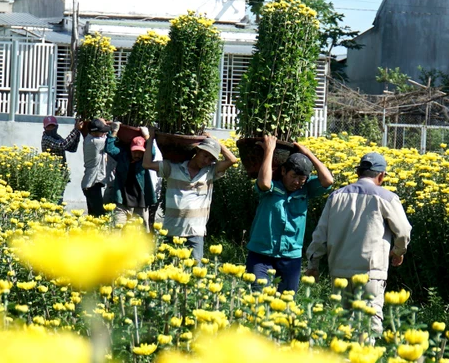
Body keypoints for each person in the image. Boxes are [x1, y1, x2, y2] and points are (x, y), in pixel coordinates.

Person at [306, 151, 412, 332]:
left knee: (341, 322)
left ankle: (343, 358)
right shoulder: (387, 198)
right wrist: (398, 251)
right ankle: (365, 358)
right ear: (381, 175)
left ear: (358, 173)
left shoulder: (336, 197)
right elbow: (403, 231)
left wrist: (312, 264)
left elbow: (320, 235)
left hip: (339, 270)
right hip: (370, 271)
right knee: (368, 322)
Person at [246, 135, 334, 293]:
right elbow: (264, 183)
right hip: (261, 253)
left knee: (286, 302)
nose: (297, 183)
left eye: (302, 179)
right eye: (294, 177)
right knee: (258, 296)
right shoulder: (272, 186)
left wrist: (308, 154)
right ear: (284, 171)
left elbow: (328, 180)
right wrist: (269, 150)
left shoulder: (306, 189)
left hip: (290, 256)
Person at [142, 129, 237, 261]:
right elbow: (146, 164)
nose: (207, 161)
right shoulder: (173, 167)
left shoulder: (210, 171)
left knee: (195, 274)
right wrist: (151, 139)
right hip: (171, 230)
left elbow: (232, 160)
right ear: (197, 151)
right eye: (205, 156)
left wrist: (214, 141)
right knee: (168, 273)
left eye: (211, 159)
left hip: (195, 233)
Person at [104, 123, 156, 229]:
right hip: (122, 202)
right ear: (130, 149)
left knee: (141, 233)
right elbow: (109, 148)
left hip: (140, 203)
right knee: (117, 230)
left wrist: (147, 137)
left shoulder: (144, 161)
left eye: (140, 152)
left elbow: (152, 152)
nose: (137, 155)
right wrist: (114, 131)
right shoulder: (122, 156)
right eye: (135, 152)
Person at [80, 118, 111, 217]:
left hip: (91, 184)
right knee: (99, 216)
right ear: (94, 132)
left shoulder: (90, 138)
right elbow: (111, 141)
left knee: (93, 216)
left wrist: (103, 124)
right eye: (101, 132)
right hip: (91, 184)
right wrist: (114, 129)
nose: (103, 133)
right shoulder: (95, 142)